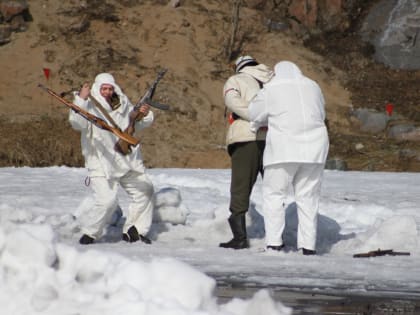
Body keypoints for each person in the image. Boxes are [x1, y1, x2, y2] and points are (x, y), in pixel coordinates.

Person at [249, 61, 329, 255]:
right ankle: (308, 246)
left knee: (274, 195)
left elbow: (255, 113)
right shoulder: (313, 86)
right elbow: (321, 113)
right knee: (308, 198)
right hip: (315, 149)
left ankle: (275, 243)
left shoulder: (271, 88)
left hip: (283, 149)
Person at [69, 73, 155, 245]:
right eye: (104, 89)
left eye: (110, 89)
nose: (107, 92)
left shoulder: (122, 103)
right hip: (101, 162)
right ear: (97, 89)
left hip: (126, 159)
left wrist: (143, 115)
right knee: (107, 201)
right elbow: (77, 123)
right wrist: (81, 100)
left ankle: (135, 230)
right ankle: (90, 233)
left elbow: (135, 124)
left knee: (145, 190)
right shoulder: (88, 104)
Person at [219, 55, 273, 249]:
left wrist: (256, 117)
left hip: (246, 137)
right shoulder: (273, 80)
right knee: (275, 190)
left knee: (241, 188)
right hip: (273, 140)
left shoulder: (236, 80)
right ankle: (277, 238)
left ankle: (240, 238)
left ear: (240, 67)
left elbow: (232, 101)